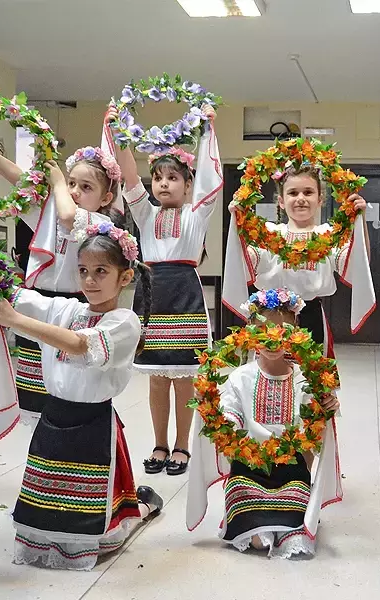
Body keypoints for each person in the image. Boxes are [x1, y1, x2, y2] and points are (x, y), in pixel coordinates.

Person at [0, 223, 163, 570]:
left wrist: (15, 319)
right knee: (46, 493)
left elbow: (80, 344)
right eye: (82, 271)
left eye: (100, 271)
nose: (89, 280)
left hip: (92, 422)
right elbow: (4, 293)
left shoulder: (124, 322)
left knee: (93, 511)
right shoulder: (70, 311)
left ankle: (141, 508)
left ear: (124, 278)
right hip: (54, 417)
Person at [0, 129, 122, 422]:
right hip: (36, 303)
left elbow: (66, 216)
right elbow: (18, 178)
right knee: (34, 398)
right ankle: (41, 446)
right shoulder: (48, 212)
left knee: (65, 388)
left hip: (72, 308)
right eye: (72, 183)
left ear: (105, 198)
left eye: (86, 187)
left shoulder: (98, 222)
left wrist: (59, 181)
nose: (75, 191)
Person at [186, 288, 343, 558]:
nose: (272, 340)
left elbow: (315, 430)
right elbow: (228, 421)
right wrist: (207, 403)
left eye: (282, 331)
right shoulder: (239, 378)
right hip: (248, 471)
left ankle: (287, 521)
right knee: (250, 520)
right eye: (263, 330)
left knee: (295, 519)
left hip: (291, 471)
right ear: (249, 333)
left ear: (296, 334)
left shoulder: (305, 380)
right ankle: (258, 525)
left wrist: (329, 406)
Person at [111, 103, 221, 476]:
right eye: (158, 177)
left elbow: (210, 177)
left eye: (173, 177)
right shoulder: (145, 213)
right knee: (157, 377)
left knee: (185, 376)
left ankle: (182, 446)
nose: (163, 183)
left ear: (188, 185)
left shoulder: (197, 214)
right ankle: (160, 444)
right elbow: (128, 180)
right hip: (151, 295)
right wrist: (117, 132)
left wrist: (207, 130)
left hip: (186, 295)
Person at [224, 161, 375, 359]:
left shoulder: (329, 235)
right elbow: (246, 262)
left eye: (308, 192)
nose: (301, 199)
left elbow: (359, 264)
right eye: (293, 193)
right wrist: (239, 223)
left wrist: (360, 219)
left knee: (313, 383)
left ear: (320, 199)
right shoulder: (268, 233)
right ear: (281, 201)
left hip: (311, 318)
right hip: (270, 317)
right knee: (269, 381)